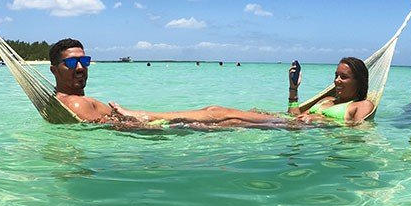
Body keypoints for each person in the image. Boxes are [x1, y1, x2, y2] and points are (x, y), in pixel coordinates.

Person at [49, 38, 288, 128]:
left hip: (143, 118)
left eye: (85, 60)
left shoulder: (61, 100)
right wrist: (143, 121)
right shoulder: (76, 104)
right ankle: (289, 123)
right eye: (71, 63)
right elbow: (113, 128)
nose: (80, 68)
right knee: (219, 112)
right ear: (54, 70)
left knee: (227, 117)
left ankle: (279, 120)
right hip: (146, 121)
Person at [287, 57, 375, 125]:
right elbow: (294, 117)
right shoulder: (326, 100)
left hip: (316, 139)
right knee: (273, 116)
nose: (337, 80)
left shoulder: (362, 105)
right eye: (336, 76)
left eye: (343, 77)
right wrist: (293, 88)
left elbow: (358, 131)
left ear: (358, 81)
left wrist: (321, 119)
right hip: (295, 127)